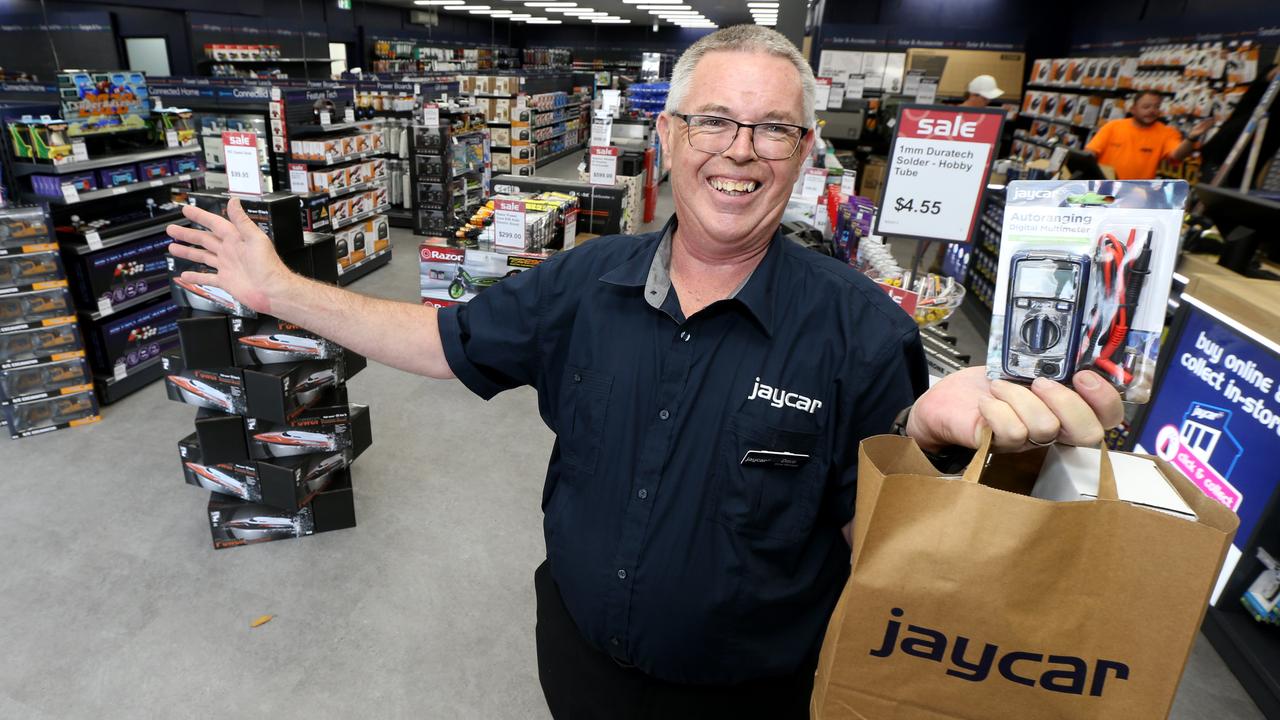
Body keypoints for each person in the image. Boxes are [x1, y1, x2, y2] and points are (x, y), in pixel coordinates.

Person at [168, 25, 1122, 719]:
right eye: (714, 120)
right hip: (580, 669)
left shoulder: (862, 333)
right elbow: (439, 341)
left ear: (802, 155)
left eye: (772, 130)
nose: (739, 150)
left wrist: (948, 444)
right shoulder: (584, 284)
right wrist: (281, 289)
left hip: (754, 699)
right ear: (667, 136)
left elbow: (888, 545)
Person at [1085, 90, 1214, 180]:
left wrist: (1191, 138)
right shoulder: (1113, 126)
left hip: (1135, 196)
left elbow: (1176, 155)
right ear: (1133, 109)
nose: (1152, 111)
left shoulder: (1167, 132)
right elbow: (1089, 153)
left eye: (1156, 107)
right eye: (1146, 107)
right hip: (1101, 190)